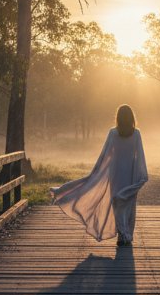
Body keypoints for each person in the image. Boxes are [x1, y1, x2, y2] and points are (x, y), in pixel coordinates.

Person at [50, 104, 148, 246]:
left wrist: (96, 172)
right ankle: (127, 234)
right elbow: (139, 155)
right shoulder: (136, 133)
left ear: (118, 118)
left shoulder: (113, 133)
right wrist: (140, 173)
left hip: (116, 172)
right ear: (132, 118)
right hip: (130, 172)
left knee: (116, 202)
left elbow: (106, 155)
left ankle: (122, 234)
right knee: (128, 203)